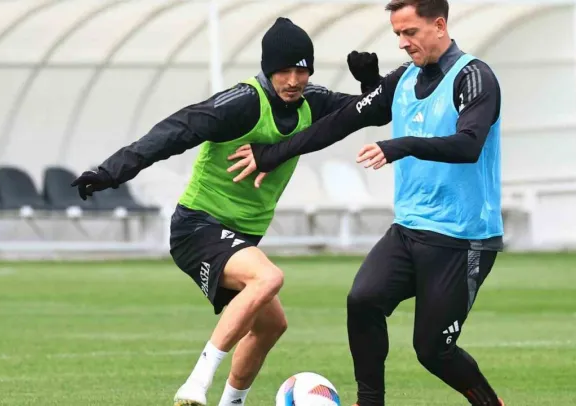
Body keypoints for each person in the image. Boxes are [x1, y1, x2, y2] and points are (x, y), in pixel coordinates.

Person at [69, 17, 378, 406]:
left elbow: (369, 111)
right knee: (268, 277)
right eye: (284, 70)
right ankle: (196, 383)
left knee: (271, 326)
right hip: (198, 227)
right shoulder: (243, 103)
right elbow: (174, 131)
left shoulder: (312, 102)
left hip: (242, 236)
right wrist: (110, 171)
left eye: (302, 70)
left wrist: (371, 83)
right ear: (268, 69)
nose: (293, 80)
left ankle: (231, 403)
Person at [226, 1, 506, 405]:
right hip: (409, 229)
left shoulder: (475, 77)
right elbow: (339, 123)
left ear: (439, 25)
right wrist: (272, 154)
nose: (402, 42)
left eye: (410, 32)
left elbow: (468, 144)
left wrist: (398, 146)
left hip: (463, 237)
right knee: (363, 301)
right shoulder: (404, 78)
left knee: (434, 351)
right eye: (397, 34)